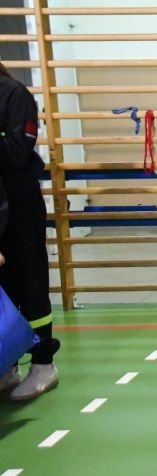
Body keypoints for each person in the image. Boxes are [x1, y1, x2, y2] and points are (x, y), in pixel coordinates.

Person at [0, 61, 59, 400]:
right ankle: (7, 364)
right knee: (3, 290)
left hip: (19, 203)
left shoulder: (13, 94)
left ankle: (43, 363)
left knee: (30, 283)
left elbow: (17, 151)